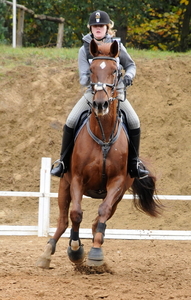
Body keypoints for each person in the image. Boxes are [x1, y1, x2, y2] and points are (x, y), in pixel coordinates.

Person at [51, 10, 149, 179]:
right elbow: (82, 76)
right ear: (90, 28)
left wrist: (128, 76)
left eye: (101, 25)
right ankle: (63, 162)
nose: (98, 28)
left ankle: (134, 163)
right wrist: (95, 81)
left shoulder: (117, 46)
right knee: (71, 120)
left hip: (115, 94)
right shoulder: (85, 49)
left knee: (134, 121)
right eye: (95, 26)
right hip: (93, 93)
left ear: (107, 27)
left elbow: (131, 65)